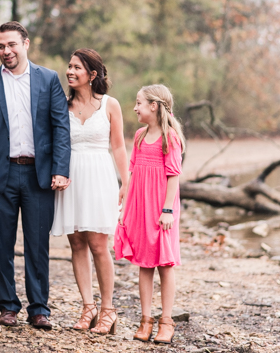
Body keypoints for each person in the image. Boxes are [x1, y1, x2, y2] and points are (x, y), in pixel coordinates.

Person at [0, 21, 71, 330]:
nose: (6, 51)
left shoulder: (49, 79)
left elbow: (60, 127)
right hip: (0, 176)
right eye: (1, 46)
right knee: (0, 243)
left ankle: (39, 308)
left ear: (26, 44)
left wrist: (60, 168)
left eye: (12, 44)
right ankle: (8, 306)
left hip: (38, 176)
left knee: (37, 244)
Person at [50, 49, 129, 335]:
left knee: (98, 244)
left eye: (76, 68)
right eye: (68, 66)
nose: (70, 72)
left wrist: (126, 183)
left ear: (92, 74)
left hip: (99, 175)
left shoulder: (110, 104)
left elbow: (118, 146)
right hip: (71, 177)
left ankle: (108, 309)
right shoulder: (62, 105)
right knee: (77, 244)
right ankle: (88, 306)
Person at [113, 84, 185, 344]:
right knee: (145, 263)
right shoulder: (140, 136)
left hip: (162, 209)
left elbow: (173, 176)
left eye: (139, 103)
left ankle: (166, 321)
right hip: (141, 207)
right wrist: (126, 203)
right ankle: (146, 320)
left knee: (164, 264)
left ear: (154, 106)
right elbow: (132, 172)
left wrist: (167, 210)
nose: (135, 108)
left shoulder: (170, 138)